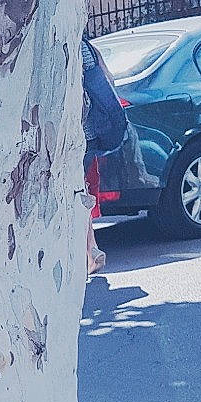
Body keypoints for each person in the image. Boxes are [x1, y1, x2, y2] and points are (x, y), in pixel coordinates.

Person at [82, 34, 128, 275]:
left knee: (74, 196)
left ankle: (89, 252)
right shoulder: (86, 48)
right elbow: (106, 87)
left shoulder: (77, 49)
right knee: (79, 193)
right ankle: (90, 250)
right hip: (87, 136)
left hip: (77, 135)